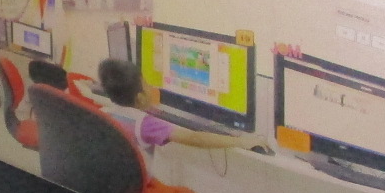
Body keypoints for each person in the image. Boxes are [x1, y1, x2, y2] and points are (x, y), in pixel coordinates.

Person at [93, 58, 260, 155]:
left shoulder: (104, 113)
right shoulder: (146, 124)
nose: (151, 87)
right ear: (140, 98)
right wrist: (240, 141)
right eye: (146, 84)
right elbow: (194, 138)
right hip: (138, 191)